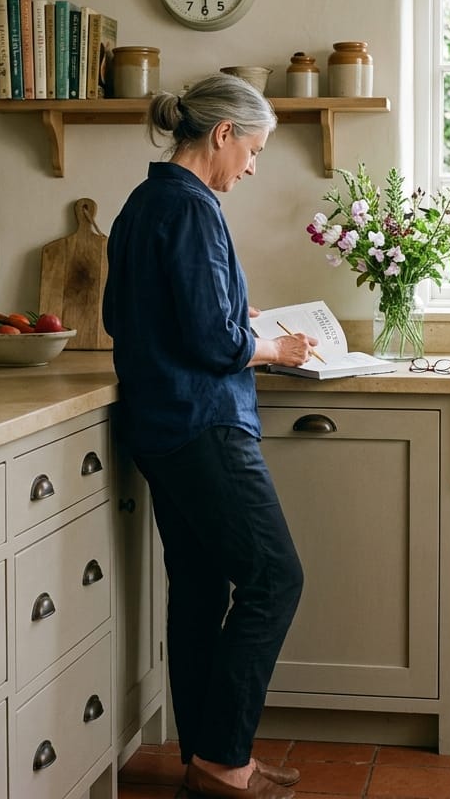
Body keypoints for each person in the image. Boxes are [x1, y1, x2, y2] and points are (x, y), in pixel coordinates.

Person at [102, 73, 314, 799]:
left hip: (161, 428)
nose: (251, 167)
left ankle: (205, 759)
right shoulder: (193, 208)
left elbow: (129, 317)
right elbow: (213, 340)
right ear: (222, 135)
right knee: (276, 578)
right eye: (251, 150)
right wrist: (270, 348)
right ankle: (226, 761)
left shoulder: (142, 202)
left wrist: (229, 311)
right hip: (204, 424)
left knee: (198, 586)